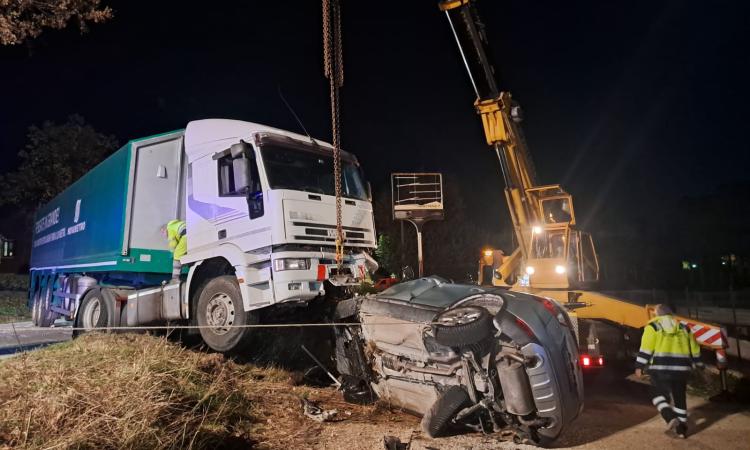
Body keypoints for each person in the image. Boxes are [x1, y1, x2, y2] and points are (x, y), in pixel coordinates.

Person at [635, 304, 703, 438]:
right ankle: (682, 429)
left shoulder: (653, 327)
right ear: (671, 314)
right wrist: (699, 364)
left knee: (657, 395)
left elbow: (646, 349)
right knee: (679, 397)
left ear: (657, 315)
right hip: (681, 369)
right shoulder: (684, 328)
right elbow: (695, 349)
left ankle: (670, 417)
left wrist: (639, 366)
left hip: (661, 369)